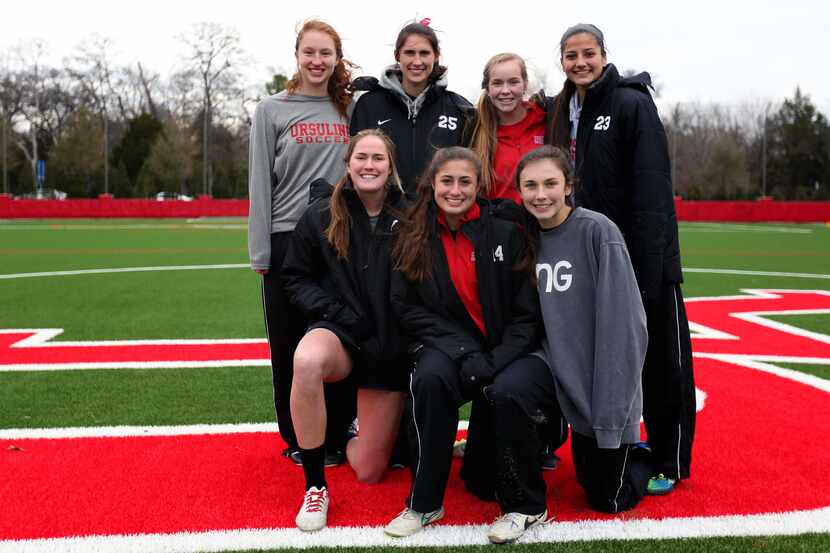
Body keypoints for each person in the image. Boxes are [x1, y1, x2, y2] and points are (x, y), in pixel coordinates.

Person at [549, 23, 695, 494]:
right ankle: (620, 446)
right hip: (592, 260)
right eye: (571, 56)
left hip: (641, 261)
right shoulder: (564, 108)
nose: (580, 63)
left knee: (662, 363)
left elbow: (652, 187)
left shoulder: (631, 103)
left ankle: (670, 461)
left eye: (588, 53)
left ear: (604, 55)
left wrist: (650, 267)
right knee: (607, 361)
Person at [492, 145, 650, 538]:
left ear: (569, 186)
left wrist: (613, 410)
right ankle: (524, 506)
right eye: (530, 186)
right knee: (507, 391)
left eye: (550, 183)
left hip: (595, 369)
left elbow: (626, 326)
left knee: (604, 498)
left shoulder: (598, 231)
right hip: (548, 361)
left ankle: (643, 457)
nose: (540, 194)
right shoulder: (523, 236)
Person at [384, 147, 541, 539]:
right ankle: (423, 503)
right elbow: (406, 308)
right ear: (432, 184)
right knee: (429, 380)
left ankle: (518, 498)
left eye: (465, 182)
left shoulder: (505, 231)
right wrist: (463, 351)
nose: (455, 190)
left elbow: (527, 315)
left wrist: (496, 358)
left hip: (500, 348)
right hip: (446, 345)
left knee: (483, 484)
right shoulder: (411, 232)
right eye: (447, 181)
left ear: (478, 186)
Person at [281, 129, 410, 531]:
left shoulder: (411, 214)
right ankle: (316, 485)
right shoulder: (321, 213)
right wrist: (339, 314)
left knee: (371, 470)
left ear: (390, 168)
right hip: (342, 332)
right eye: (362, 158)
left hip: (389, 345)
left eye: (378, 159)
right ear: (348, 164)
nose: (369, 166)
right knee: (306, 360)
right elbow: (296, 278)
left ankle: (356, 429)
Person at [248, 19, 356, 468]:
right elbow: (259, 181)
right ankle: (298, 437)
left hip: (342, 234)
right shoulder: (272, 110)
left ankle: (338, 430)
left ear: (337, 58)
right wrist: (261, 250)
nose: (317, 61)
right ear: (297, 56)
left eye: (325, 53)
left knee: (341, 335)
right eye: (309, 52)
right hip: (288, 236)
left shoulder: (350, 109)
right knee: (291, 343)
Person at [350, 20, 473, 194]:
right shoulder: (369, 104)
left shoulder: (458, 108)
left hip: (437, 214)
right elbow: (354, 163)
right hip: (383, 212)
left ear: (436, 55)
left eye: (424, 53)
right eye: (409, 53)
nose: (417, 61)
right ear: (397, 55)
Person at [467, 53, 554, 204]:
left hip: (545, 221)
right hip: (499, 224)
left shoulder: (547, 117)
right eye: (497, 83)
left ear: (525, 84)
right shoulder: (474, 130)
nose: (505, 90)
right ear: (487, 88)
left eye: (513, 82)